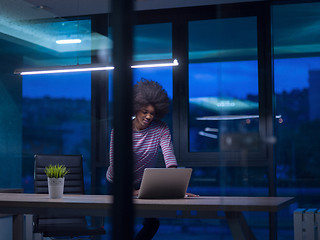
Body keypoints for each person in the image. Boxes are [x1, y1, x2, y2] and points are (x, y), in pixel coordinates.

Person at [106, 79, 197, 240]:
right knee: (123, 221)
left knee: (152, 223)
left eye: (153, 113)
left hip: (143, 183)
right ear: (136, 108)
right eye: (144, 111)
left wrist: (175, 187)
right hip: (118, 182)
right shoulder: (120, 129)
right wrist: (130, 192)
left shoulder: (161, 128)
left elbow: (169, 156)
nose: (148, 116)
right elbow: (116, 163)